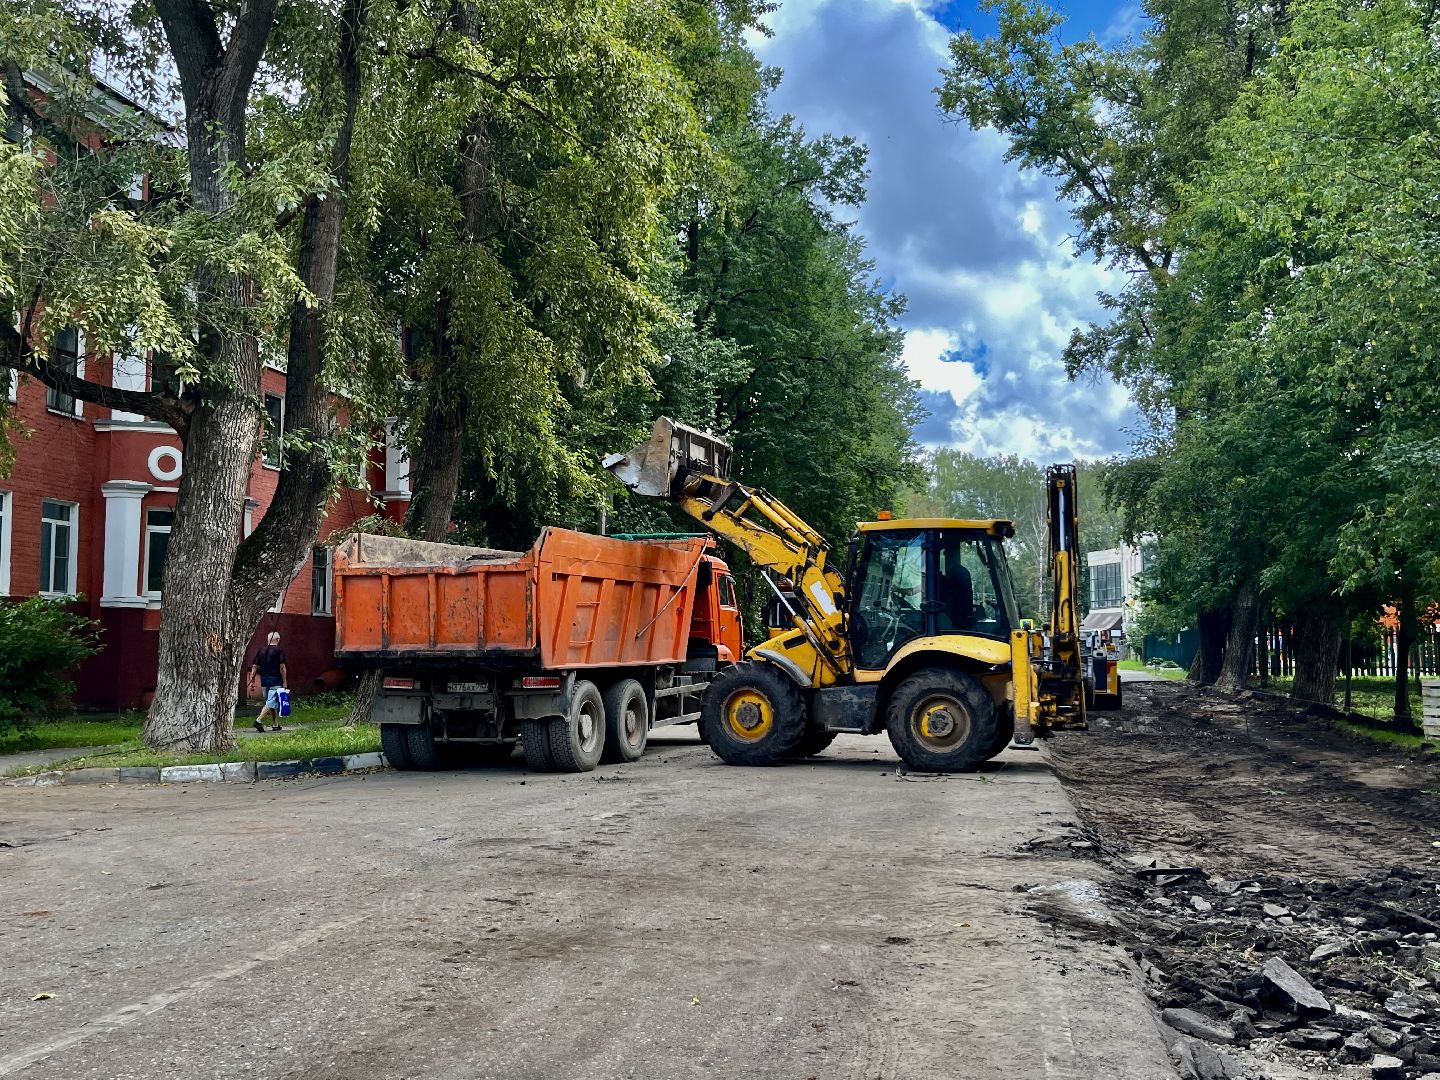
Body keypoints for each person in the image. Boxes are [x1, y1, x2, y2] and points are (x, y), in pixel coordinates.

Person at [248, 632, 288, 732]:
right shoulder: (279, 650)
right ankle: (258, 721)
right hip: (276, 680)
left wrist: (252, 680)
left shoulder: (261, 650)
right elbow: (282, 667)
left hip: (264, 681)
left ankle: (275, 724)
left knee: (270, 702)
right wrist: (284, 681)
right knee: (271, 702)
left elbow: (254, 666)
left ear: (268, 639)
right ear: (278, 640)